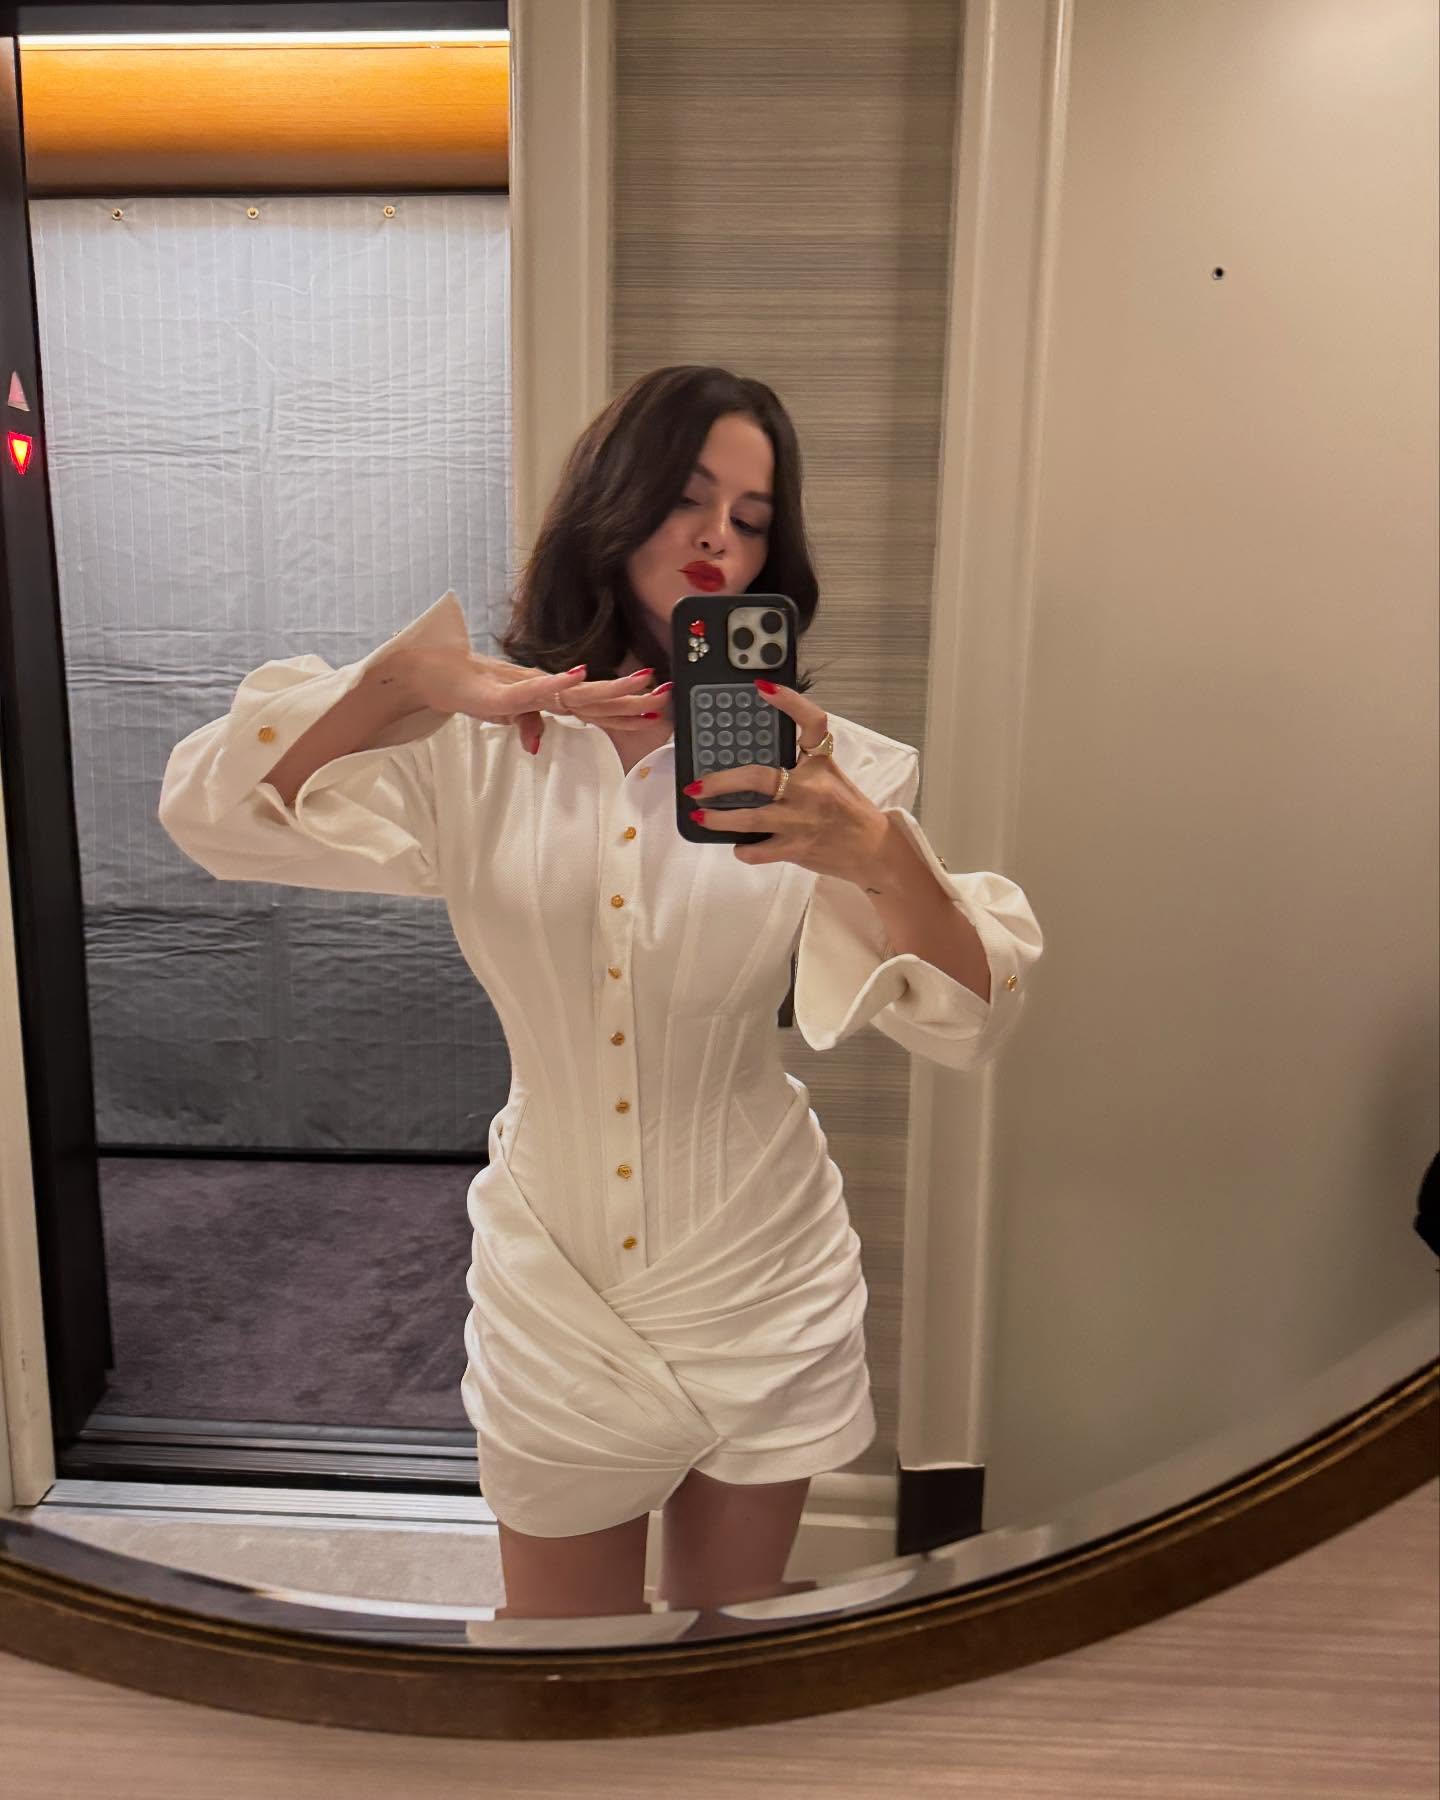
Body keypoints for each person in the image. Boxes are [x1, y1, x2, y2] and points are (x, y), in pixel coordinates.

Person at [158, 364, 1044, 1620]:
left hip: (760, 1262)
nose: (717, 536)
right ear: (613, 504)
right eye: (688, 497)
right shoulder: (475, 752)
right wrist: (408, 686)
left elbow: (973, 1021)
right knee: (559, 1656)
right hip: (553, 1273)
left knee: (730, 1645)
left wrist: (884, 858)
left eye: (750, 517)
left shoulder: (827, 775)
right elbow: (212, 814)